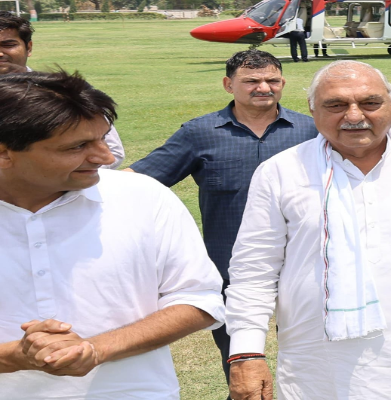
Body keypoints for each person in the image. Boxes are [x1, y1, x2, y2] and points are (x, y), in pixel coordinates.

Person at [225, 60, 391, 399]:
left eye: (370, 103)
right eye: (336, 105)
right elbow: (253, 271)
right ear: (312, 110)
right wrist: (246, 352)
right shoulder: (280, 172)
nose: (355, 116)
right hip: (320, 366)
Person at [0, 70, 225, 399]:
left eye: (103, 138)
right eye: (77, 146)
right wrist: (13, 358)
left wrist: (96, 349)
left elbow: (199, 300)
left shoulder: (143, 197)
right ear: (5, 152)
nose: (105, 158)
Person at [127, 49, 318, 384]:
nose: (263, 87)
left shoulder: (311, 131)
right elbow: (139, 181)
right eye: (251, 81)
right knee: (240, 367)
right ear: (229, 85)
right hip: (231, 272)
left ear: (283, 83)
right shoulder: (199, 133)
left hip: (305, 266)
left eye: (272, 80)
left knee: (311, 361)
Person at [0, 11, 125, 169]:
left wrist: (54, 182)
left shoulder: (65, 91)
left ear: (28, 47)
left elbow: (113, 151)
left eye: (8, 45)